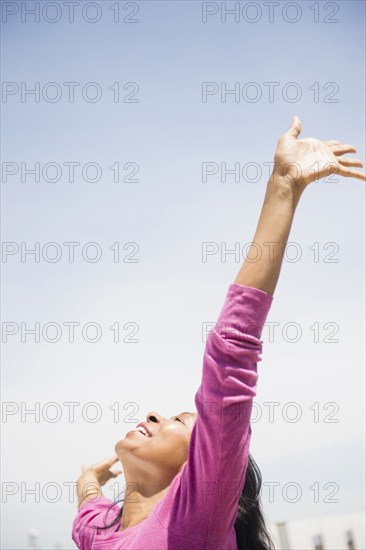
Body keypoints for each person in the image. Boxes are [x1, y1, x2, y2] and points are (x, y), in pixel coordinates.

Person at [72, 115, 366, 549]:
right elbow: (88, 510)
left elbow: (230, 355)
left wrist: (284, 185)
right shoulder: (99, 534)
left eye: (180, 421)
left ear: (204, 464)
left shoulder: (197, 517)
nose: (154, 415)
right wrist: (88, 480)